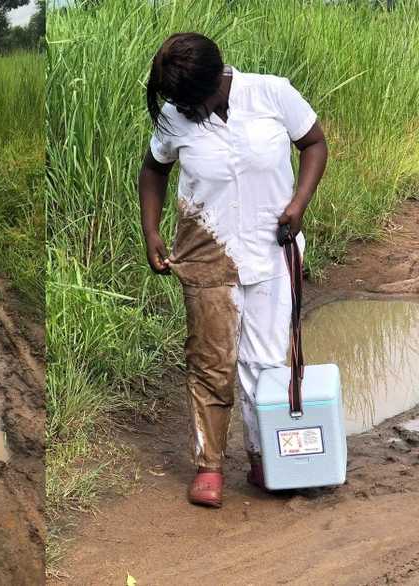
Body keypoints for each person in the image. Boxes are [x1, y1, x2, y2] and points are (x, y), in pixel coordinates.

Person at [137, 33, 328, 507]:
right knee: (210, 362)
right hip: (205, 251)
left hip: (273, 251)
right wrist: (151, 231)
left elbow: (314, 144)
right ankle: (210, 465)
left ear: (215, 81)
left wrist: (299, 203)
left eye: (190, 102)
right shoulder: (176, 115)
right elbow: (154, 170)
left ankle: (265, 458)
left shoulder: (272, 94)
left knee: (266, 363)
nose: (184, 110)